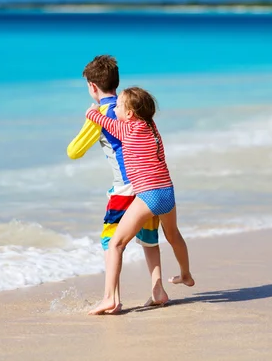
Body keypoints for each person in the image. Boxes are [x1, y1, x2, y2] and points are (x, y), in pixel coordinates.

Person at [67, 55, 168, 313]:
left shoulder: (100, 113)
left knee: (111, 241)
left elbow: (74, 151)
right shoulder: (132, 109)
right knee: (148, 238)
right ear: (116, 83)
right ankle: (157, 289)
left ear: (92, 87)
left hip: (124, 187)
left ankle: (111, 297)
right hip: (147, 184)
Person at [85, 86, 194, 315]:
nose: (115, 110)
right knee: (173, 236)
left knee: (116, 243)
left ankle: (109, 299)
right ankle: (185, 274)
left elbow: (106, 123)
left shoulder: (128, 129)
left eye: (120, 107)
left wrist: (93, 112)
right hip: (167, 192)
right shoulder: (152, 127)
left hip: (149, 195)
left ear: (130, 114)